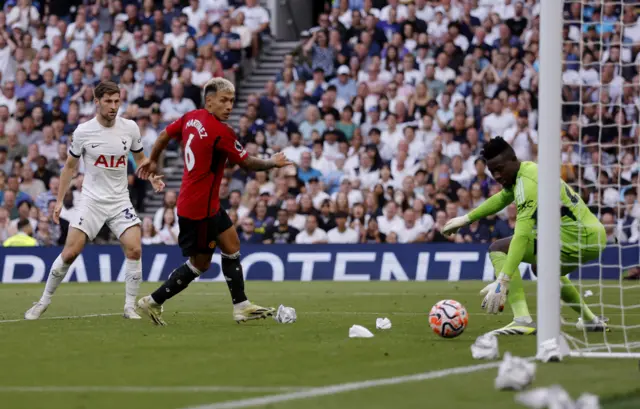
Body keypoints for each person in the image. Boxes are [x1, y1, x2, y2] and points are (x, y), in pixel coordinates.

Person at [135, 78, 292, 326]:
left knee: (232, 245)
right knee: (200, 265)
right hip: (198, 210)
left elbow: (165, 134)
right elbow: (247, 163)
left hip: (206, 205)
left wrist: (152, 159)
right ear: (209, 101)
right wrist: (273, 162)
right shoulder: (221, 132)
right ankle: (153, 301)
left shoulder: (191, 117)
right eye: (223, 101)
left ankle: (241, 306)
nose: (229, 106)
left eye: (231, 101)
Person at [24, 81, 165, 321]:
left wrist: (151, 176)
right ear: (96, 102)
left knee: (134, 249)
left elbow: (141, 158)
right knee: (69, 254)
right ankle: (43, 301)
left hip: (120, 200)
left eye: (117, 101)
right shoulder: (83, 132)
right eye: (108, 101)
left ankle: (129, 306)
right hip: (91, 201)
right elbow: (69, 167)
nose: (113, 106)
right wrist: (59, 201)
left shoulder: (130, 128)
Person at [443, 137, 608, 335]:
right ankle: (590, 320)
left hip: (577, 237)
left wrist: (503, 280)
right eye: (492, 172)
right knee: (542, 267)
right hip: (591, 235)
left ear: (513, 159)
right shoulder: (527, 170)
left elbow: (521, 236)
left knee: (498, 248)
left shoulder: (527, 184)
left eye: (500, 169)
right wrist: (467, 218)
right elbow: (503, 197)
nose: (497, 175)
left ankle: (522, 320)